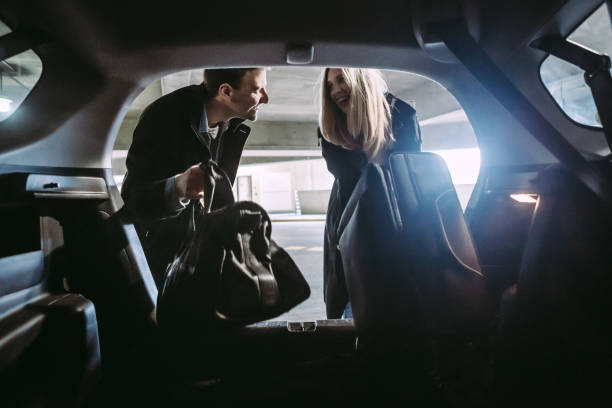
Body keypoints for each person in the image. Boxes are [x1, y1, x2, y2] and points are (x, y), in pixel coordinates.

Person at [121, 68, 269, 288]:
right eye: (257, 90)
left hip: (198, 261)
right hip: (161, 267)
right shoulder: (164, 116)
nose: (266, 98)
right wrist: (178, 187)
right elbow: (134, 201)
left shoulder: (228, 125)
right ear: (226, 91)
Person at [318, 67, 422, 319]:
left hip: (398, 227)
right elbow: (351, 182)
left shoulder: (402, 114)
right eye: (329, 85)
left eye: (341, 79)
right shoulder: (330, 127)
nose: (335, 91)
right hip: (350, 226)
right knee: (352, 310)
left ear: (359, 77)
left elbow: (407, 178)